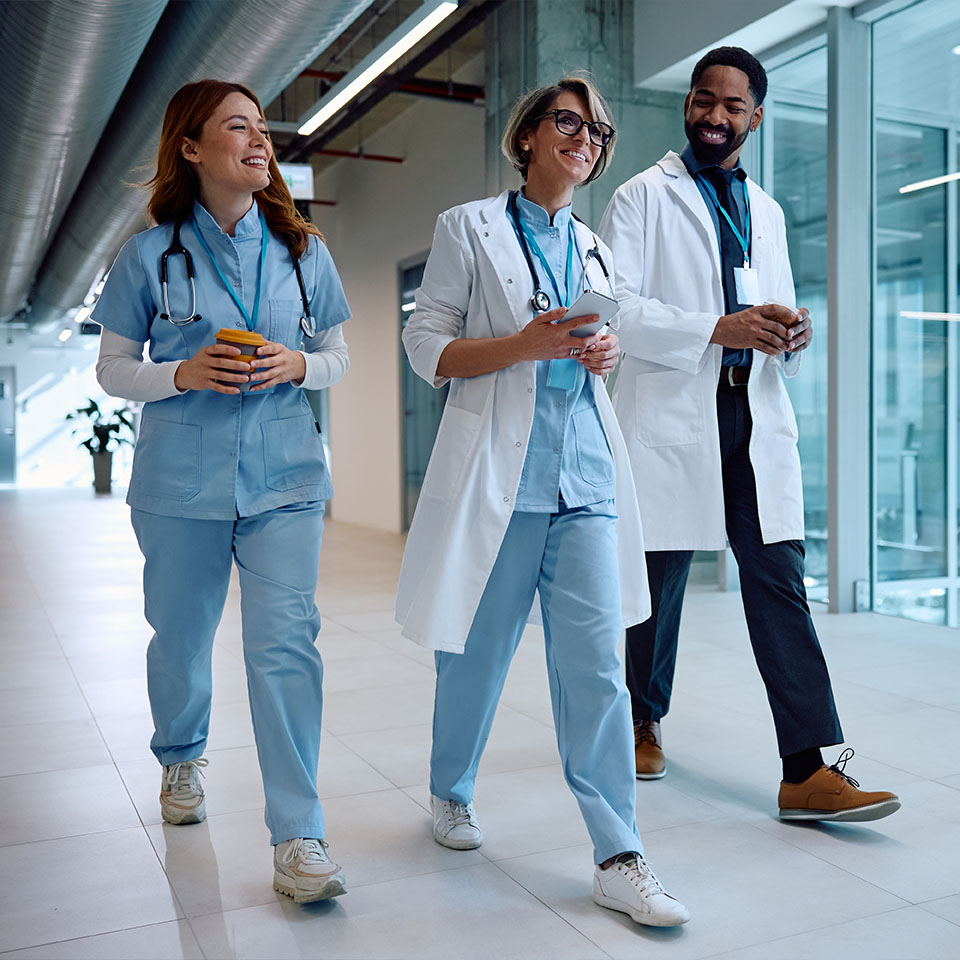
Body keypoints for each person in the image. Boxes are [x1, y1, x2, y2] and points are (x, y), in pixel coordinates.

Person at [397, 75, 689, 927]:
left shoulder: (596, 248)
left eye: (597, 131)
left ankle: (618, 854)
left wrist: (604, 356)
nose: (587, 139)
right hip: (503, 481)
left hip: (588, 481)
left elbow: (605, 344)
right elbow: (427, 346)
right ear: (526, 136)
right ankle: (450, 791)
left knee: (597, 672)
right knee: (476, 660)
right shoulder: (469, 228)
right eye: (569, 123)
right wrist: (520, 346)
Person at [598, 47, 900, 822]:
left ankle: (806, 768)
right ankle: (640, 717)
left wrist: (792, 336)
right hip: (672, 410)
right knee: (656, 581)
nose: (715, 117)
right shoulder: (641, 197)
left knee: (779, 582)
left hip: (752, 413)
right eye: (704, 100)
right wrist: (716, 327)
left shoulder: (764, 209)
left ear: (755, 119)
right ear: (688, 105)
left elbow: (781, 303)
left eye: (733, 107)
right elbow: (615, 310)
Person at [93, 79, 352, 903]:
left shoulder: (306, 251)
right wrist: (182, 372)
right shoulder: (149, 254)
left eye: (264, 128)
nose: (259, 140)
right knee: (180, 640)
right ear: (192, 148)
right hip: (179, 483)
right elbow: (111, 371)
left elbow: (339, 352)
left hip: (285, 477)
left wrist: (301, 364)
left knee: (285, 650)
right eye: (237, 127)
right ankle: (180, 756)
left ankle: (300, 837)